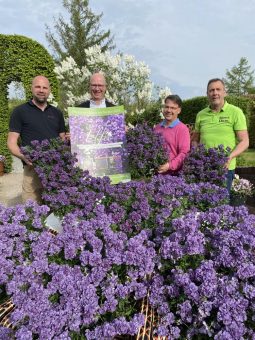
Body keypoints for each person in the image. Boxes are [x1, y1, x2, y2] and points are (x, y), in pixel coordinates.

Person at [7, 75, 66, 204]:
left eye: (44, 87)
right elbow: (11, 143)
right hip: (32, 170)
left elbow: (62, 139)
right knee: (32, 210)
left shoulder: (57, 113)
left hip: (55, 170)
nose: (41, 90)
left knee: (55, 210)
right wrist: (23, 157)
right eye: (38, 86)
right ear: (31, 88)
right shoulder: (20, 111)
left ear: (49, 90)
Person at [192, 78, 249, 192]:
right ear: (207, 94)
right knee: (203, 202)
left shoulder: (235, 112)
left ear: (224, 92)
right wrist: (197, 155)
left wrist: (230, 157)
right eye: (211, 90)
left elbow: (245, 141)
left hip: (225, 168)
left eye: (218, 89)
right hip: (204, 168)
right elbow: (195, 140)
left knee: (222, 204)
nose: (215, 93)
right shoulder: (201, 115)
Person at [154, 94, 190, 175]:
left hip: (174, 176)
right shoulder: (157, 128)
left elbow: (184, 153)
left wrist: (169, 165)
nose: (168, 110)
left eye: (173, 108)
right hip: (156, 174)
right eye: (167, 107)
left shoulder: (182, 129)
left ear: (179, 110)